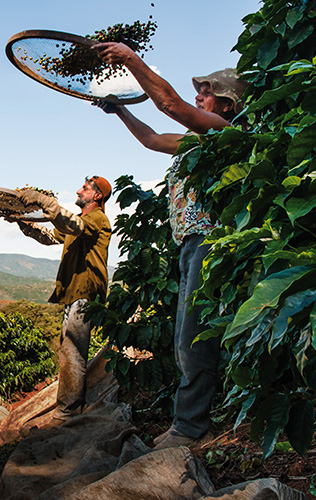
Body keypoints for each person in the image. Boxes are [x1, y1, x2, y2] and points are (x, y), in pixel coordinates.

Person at [92, 41, 248, 449]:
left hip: (211, 241)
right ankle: (188, 422)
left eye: (208, 92)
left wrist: (129, 58)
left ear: (228, 105)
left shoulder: (228, 133)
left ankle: (190, 427)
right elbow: (152, 138)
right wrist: (121, 110)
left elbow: (173, 107)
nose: (199, 95)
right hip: (190, 244)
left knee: (193, 337)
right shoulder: (199, 143)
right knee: (187, 334)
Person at [10, 177, 112, 426]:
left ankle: (67, 413)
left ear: (97, 197)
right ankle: (67, 409)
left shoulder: (96, 219)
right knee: (68, 352)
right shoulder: (79, 222)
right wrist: (23, 222)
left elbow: (73, 224)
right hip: (75, 293)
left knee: (73, 354)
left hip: (85, 293)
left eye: (85, 188)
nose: (79, 190)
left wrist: (45, 201)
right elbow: (49, 236)